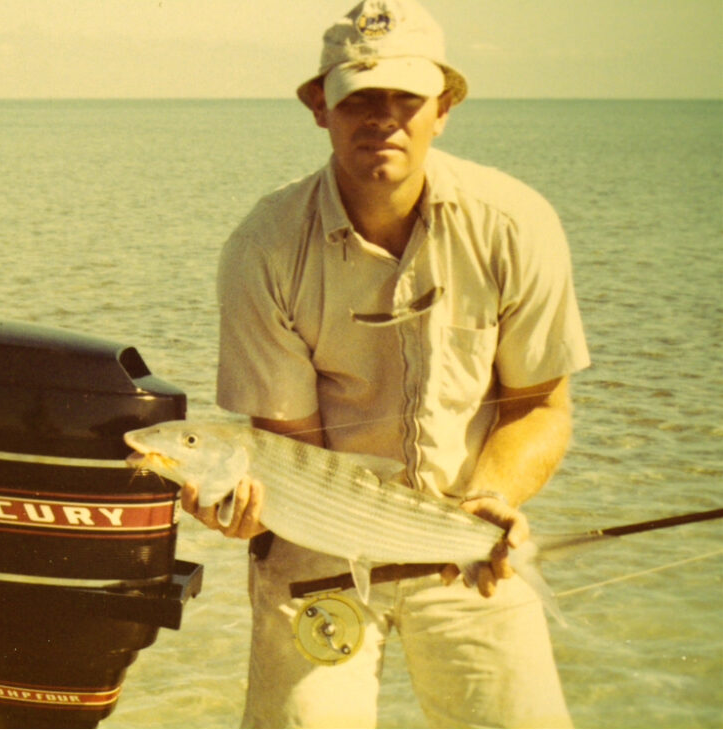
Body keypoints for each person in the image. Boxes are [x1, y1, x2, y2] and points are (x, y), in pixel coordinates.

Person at [180, 0, 591, 726]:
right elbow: (290, 451)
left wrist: (489, 501)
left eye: (408, 97)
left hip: (469, 539)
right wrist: (248, 511)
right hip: (318, 553)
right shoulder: (265, 246)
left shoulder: (516, 223)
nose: (384, 117)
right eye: (360, 97)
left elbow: (539, 405)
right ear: (319, 105)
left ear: (446, 107)